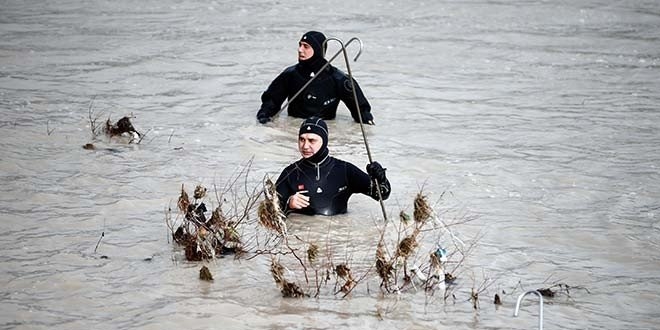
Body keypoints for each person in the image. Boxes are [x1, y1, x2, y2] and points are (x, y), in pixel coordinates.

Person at [275, 117, 390, 216]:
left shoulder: (344, 170)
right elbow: (269, 212)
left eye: (311, 140)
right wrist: (288, 204)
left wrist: (381, 178)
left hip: (338, 237)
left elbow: (382, 194)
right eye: (301, 140)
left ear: (324, 141)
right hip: (302, 235)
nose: (305, 146)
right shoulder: (290, 173)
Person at [256, 31, 375, 125]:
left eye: (306, 46)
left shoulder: (339, 80)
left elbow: (361, 112)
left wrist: (366, 121)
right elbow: (271, 102)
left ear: (318, 50)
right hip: (294, 128)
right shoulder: (290, 75)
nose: (300, 50)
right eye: (300, 45)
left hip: (326, 128)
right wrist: (264, 118)